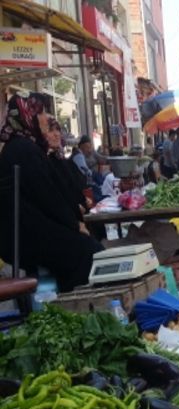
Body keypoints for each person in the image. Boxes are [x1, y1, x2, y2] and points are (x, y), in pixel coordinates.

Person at [0, 93, 104, 292]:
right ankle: (74, 305)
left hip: (26, 231)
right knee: (89, 252)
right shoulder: (24, 149)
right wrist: (74, 224)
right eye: (40, 112)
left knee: (89, 244)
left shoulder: (23, 147)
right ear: (27, 116)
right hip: (26, 236)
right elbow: (47, 196)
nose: (45, 117)